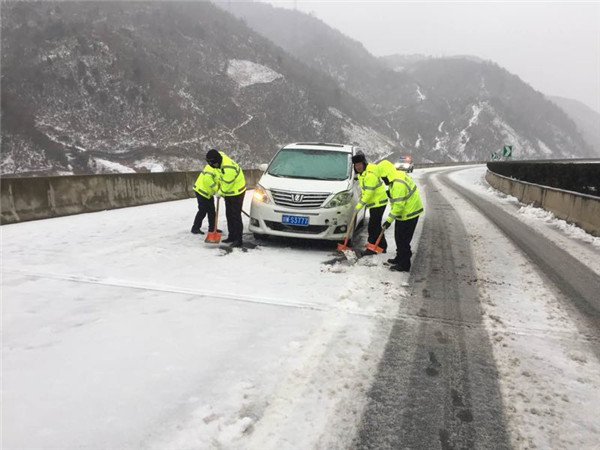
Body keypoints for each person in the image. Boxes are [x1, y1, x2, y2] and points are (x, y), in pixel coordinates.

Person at [381, 166, 423, 272]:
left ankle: (405, 264)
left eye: (383, 177)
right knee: (398, 237)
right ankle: (399, 257)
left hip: (409, 213)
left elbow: (399, 206)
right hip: (405, 211)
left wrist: (388, 221)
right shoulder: (395, 176)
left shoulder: (397, 184)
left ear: (386, 175)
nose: (383, 180)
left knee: (403, 240)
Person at [205, 149, 246, 247]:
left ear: (218, 160)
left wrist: (220, 192)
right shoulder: (220, 160)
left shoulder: (228, 168)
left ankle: (238, 239)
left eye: (214, 164)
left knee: (235, 216)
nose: (214, 166)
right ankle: (231, 236)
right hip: (229, 192)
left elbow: (228, 183)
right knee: (229, 214)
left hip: (237, 192)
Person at [352, 153, 389, 254]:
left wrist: (359, 206)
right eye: (356, 165)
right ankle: (382, 246)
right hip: (375, 203)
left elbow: (368, 193)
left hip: (379, 203)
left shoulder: (370, 174)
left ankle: (371, 248)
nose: (358, 167)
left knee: (373, 226)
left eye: (359, 164)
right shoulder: (362, 173)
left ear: (364, 163)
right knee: (376, 225)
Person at [191, 163, 219, 235]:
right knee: (202, 211)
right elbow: (207, 181)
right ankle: (195, 228)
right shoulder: (211, 168)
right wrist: (216, 190)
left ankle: (212, 228)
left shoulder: (217, 168)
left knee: (212, 211)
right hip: (202, 191)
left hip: (207, 192)